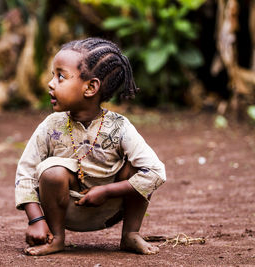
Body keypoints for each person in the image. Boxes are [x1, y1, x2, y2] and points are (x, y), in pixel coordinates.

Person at [14, 37, 166, 256]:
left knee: (137, 167)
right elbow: (25, 172)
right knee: (52, 172)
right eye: (52, 75)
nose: (51, 83)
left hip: (110, 209)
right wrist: (36, 220)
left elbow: (156, 172)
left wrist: (106, 191)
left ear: (91, 87)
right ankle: (57, 238)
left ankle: (130, 234)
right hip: (63, 211)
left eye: (61, 76)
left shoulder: (119, 126)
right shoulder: (50, 126)